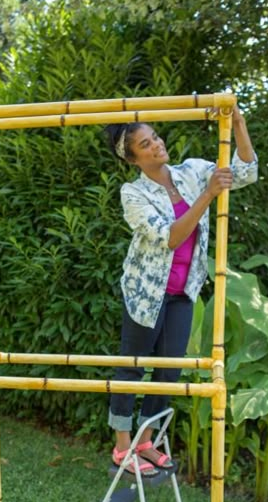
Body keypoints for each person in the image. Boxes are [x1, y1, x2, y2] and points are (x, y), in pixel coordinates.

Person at [105, 105, 258, 479]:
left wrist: (238, 124)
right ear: (133, 157)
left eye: (155, 136)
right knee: (134, 365)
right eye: (146, 143)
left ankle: (147, 442)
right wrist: (207, 196)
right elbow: (172, 237)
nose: (157, 145)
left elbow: (245, 173)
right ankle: (123, 446)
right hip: (145, 293)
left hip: (183, 290)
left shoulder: (190, 171)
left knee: (170, 370)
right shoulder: (133, 194)